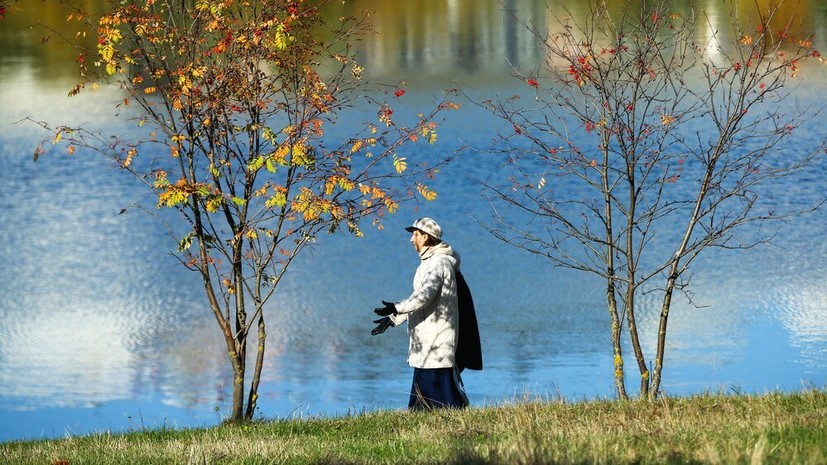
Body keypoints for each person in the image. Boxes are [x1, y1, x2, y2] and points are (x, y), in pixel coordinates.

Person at [371, 217, 469, 410]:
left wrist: (397, 307)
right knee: (425, 389)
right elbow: (419, 299)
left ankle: (452, 417)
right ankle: (427, 417)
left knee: (442, 393)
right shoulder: (429, 262)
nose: (411, 239)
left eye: (415, 234)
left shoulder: (438, 263)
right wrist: (393, 319)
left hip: (436, 337)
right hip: (428, 338)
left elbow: (424, 297)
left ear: (426, 237)